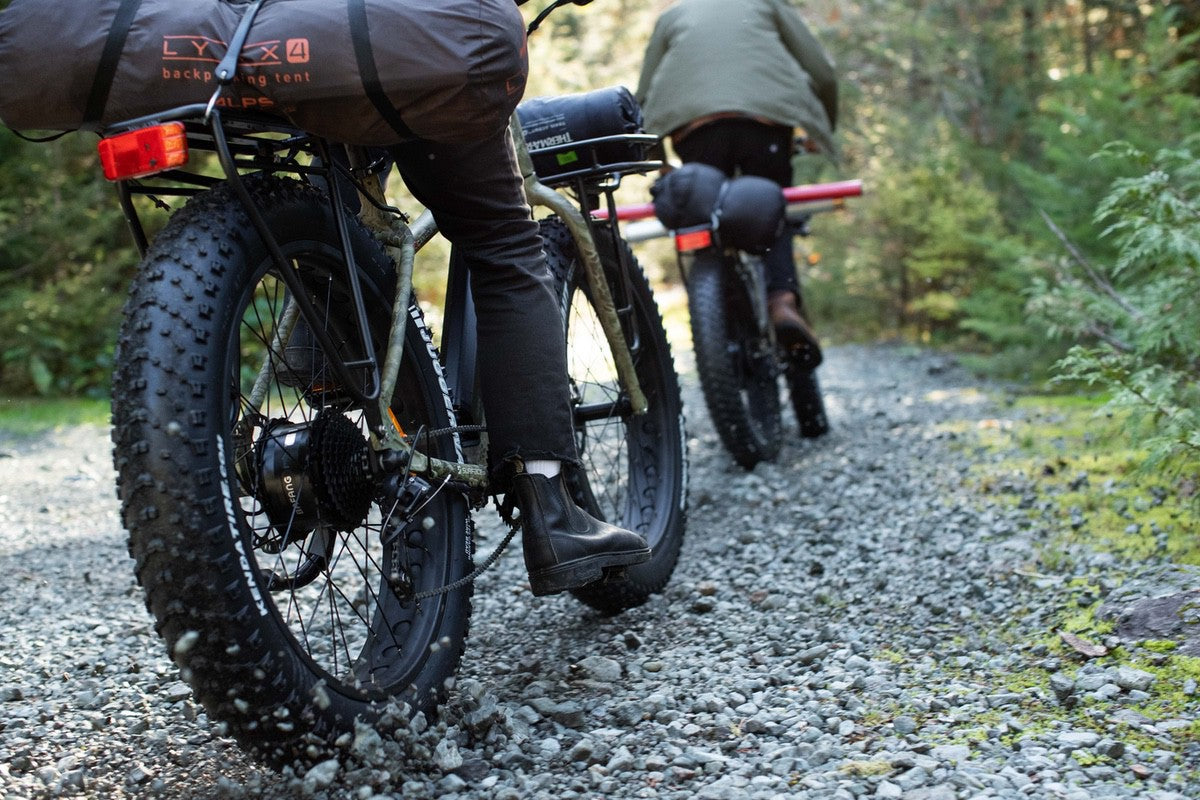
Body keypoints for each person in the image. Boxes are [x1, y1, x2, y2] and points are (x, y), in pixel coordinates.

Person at [635, 0, 838, 369]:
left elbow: (641, 96)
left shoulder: (672, 16)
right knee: (773, 207)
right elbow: (823, 74)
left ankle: (719, 322)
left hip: (693, 129)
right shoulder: (766, 5)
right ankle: (781, 303)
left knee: (704, 211)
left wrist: (657, 159)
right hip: (764, 123)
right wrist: (822, 129)